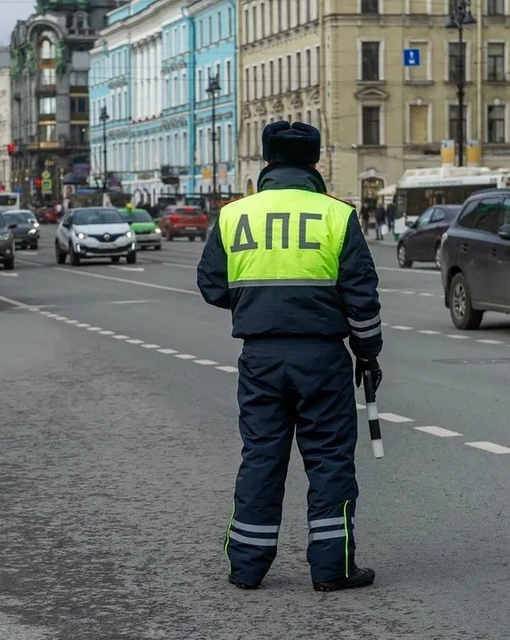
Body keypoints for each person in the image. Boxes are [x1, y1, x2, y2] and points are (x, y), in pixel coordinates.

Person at [197, 121, 384, 592]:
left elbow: (212, 285)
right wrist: (367, 355)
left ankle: (247, 566)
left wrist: (257, 303)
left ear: (266, 161)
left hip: (259, 357)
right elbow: (362, 297)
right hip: (322, 357)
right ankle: (332, 568)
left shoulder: (234, 214)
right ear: (315, 163)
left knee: (261, 456)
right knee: (329, 461)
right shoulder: (337, 216)